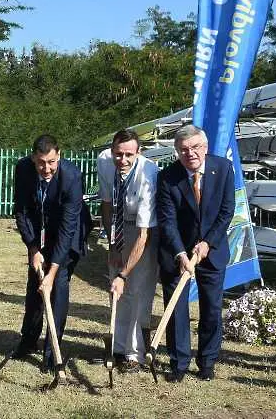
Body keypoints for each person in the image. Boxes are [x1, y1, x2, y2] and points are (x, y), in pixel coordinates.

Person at [157, 125, 234, 382]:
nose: (190, 153)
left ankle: (207, 361)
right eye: (183, 150)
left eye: (195, 147)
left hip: (211, 252)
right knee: (176, 308)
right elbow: (167, 220)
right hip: (177, 252)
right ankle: (178, 363)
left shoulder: (222, 169)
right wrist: (180, 253)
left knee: (211, 308)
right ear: (177, 152)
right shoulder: (168, 176)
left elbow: (226, 211)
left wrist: (207, 244)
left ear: (205, 147)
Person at [12, 134, 89, 370]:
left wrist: (52, 273)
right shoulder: (23, 169)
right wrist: (33, 249)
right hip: (39, 231)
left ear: (59, 155)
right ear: (33, 158)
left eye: (52, 162)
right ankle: (27, 341)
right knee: (35, 285)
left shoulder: (72, 177)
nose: (47, 168)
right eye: (41, 163)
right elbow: (22, 211)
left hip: (68, 232)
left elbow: (68, 229)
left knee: (57, 288)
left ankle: (51, 352)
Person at [98, 129, 159, 373]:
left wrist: (124, 272)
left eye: (128, 155)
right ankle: (118, 346)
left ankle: (136, 353)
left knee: (136, 291)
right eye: (118, 154)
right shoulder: (104, 161)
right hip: (118, 228)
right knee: (116, 291)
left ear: (139, 153)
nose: (122, 160)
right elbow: (106, 205)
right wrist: (112, 245)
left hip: (144, 231)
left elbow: (144, 234)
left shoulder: (148, 174)